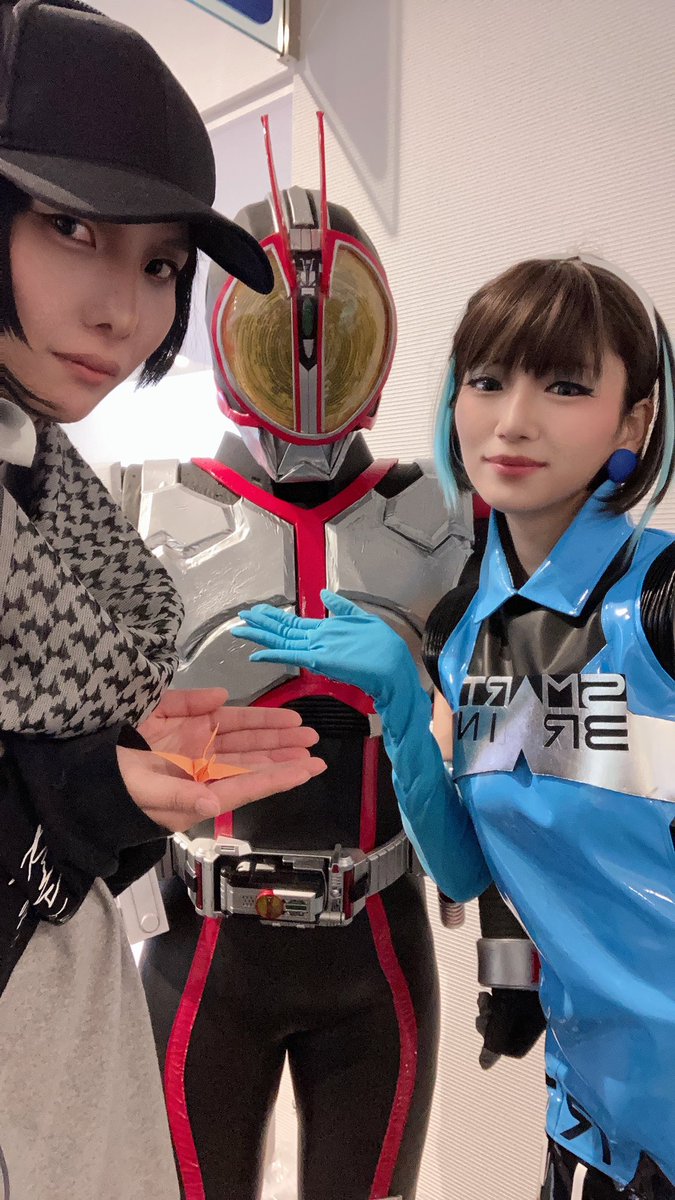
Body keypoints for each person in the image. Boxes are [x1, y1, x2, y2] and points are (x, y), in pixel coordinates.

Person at [236, 253, 675, 1199]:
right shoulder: (469, 625)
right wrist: (401, 706)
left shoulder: (661, 602)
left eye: (565, 386)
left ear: (633, 422)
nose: (513, 420)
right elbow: (472, 868)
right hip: (595, 1118)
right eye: (486, 380)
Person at [120, 112, 479, 1200]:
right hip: (201, 946)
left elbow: (513, 749)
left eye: (337, 330)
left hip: (378, 948)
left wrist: (517, 953)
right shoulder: (144, 512)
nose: (308, 364)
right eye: (277, 334)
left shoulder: (442, 521)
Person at [0, 3, 325, 1197]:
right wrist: (83, 804)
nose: (123, 311)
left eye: (159, 265)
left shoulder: (45, 479)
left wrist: (102, 784)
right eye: (71, 226)